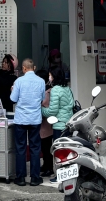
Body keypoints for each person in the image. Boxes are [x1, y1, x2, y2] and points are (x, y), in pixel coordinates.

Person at [10, 58, 46, 186]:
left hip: (21, 119)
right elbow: (43, 99)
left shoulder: (19, 81)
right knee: (35, 148)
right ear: (34, 68)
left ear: (24, 68)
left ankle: (20, 178)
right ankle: (35, 178)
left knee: (20, 148)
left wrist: (12, 90)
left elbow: (13, 99)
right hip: (35, 119)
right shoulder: (41, 81)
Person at [42, 67, 75, 183]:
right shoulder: (67, 88)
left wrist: (41, 110)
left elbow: (52, 111)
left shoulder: (55, 90)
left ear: (54, 77)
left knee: (59, 151)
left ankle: (59, 176)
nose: (49, 78)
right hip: (69, 124)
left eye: (50, 76)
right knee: (67, 150)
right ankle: (69, 174)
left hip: (59, 125)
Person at [37, 69, 53, 177]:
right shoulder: (45, 90)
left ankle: (49, 167)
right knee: (44, 146)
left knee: (46, 147)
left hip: (46, 124)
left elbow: (45, 106)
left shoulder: (48, 92)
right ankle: (45, 165)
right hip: (44, 124)